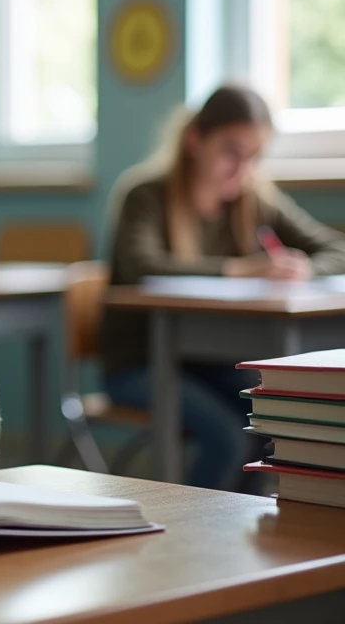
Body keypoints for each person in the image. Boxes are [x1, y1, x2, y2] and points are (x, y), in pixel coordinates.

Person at [101, 83, 345, 490]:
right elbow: (144, 267)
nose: (243, 169)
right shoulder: (144, 196)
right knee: (228, 438)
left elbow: (335, 248)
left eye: (254, 157)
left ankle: (250, 544)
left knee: (273, 424)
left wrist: (303, 268)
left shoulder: (254, 200)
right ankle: (193, 541)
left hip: (209, 365)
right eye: (232, 151)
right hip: (141, 363)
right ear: (196, 140)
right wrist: (239, 270)